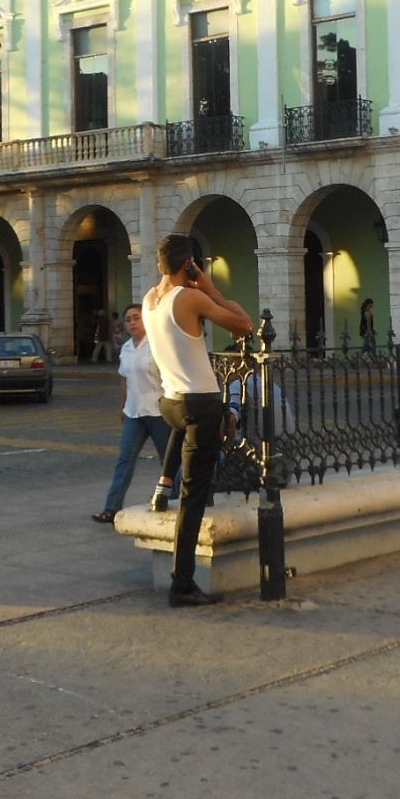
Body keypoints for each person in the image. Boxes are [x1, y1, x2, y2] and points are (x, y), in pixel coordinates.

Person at [142, 233, 254, 607]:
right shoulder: (189, 297)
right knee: (192, 499)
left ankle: (162, 484)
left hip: (171, 402)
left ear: (160, 264)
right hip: (200, 404)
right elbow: (244, 324)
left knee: (185, 452)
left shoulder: (149, 300)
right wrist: (210, 288)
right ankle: (182, 584)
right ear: (189, 264)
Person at [94, 304, 170, 523]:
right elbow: (125, 379)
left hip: (159, 412)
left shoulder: (157, 345)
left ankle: (174, 502)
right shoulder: (126, 348)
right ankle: (112, 508)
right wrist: (123, 406)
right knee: (125, 460)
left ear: (147, 320)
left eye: (137, 318)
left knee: (168, 463)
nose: (132, 323)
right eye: (128, 320)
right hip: (134, 413)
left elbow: (169, 377)